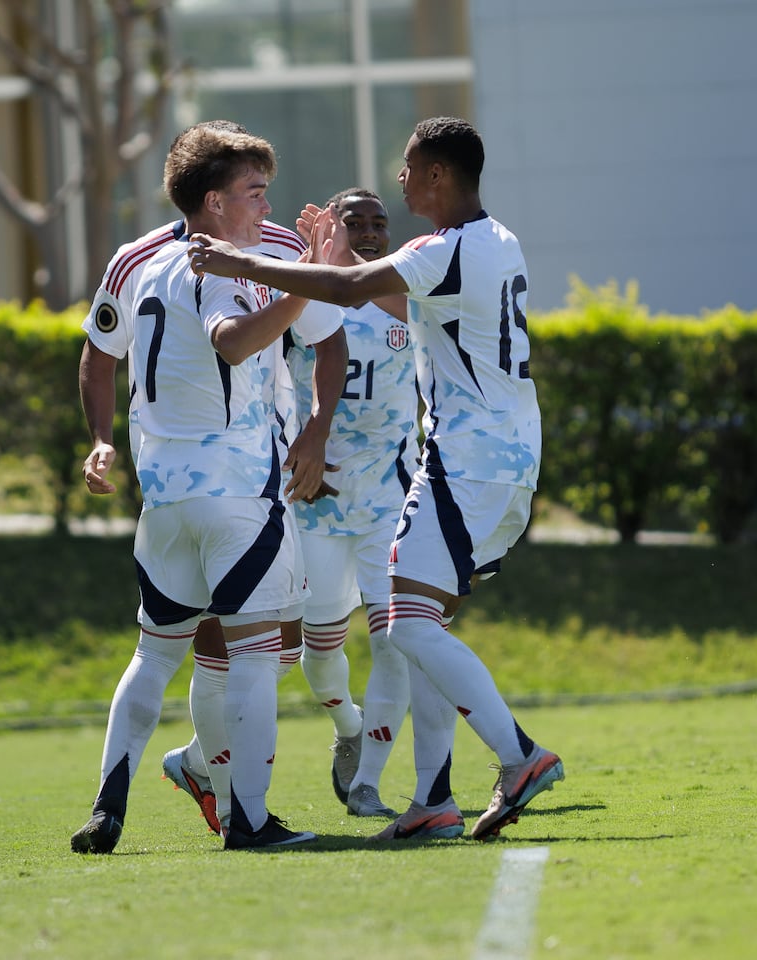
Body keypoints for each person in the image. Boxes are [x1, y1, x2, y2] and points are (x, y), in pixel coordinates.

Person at [188, 116, 564, 842]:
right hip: (508, 458)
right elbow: (372, 293)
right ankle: (433, 800)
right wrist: (327, 264)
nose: (401, 178)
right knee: (419, 626)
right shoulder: (498, 241)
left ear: (438, 176)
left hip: (466, 462)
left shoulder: (442, 250)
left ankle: (519, 758)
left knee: (406, 624)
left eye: (410, 167)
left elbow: (352, 286)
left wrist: (245, 266)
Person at [69, 123, 345, 853]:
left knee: (155, 654)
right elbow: (233, 338)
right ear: (215, 202)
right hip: (238, 491)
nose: (267, 206)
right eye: (255, 192)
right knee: (256, 655)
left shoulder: (149, 267)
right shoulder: (219, 261)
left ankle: (108, 805)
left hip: (166, 498)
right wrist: (307, 279)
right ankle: (247, 819)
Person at [284, 187, 418, 819]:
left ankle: (368, 784)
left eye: (377, 223)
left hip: (390, 498)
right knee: (317, 652)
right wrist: (317, 269)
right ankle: (347, 725)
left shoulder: (405, 290)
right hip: (316, 497)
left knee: (396, 641)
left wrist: (344, 266)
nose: (368, 231)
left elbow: (402, 303)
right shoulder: (301, 293)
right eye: (353, 222)